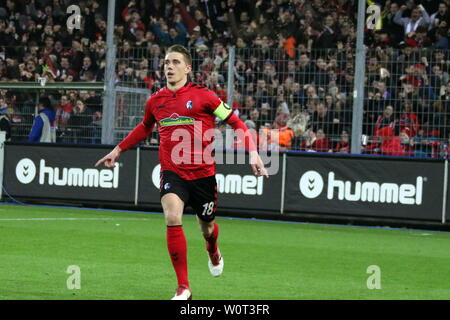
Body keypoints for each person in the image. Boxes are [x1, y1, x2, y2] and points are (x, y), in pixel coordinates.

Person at [95, 44, 268, 300]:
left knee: (206, 227)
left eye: (175, 62)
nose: (169, 67)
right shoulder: (156, 101)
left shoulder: (205, 96)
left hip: (203, 175)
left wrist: (253, 152)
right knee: (172, 216)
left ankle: (212, 249)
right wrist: (119, 149)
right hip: (173, 173)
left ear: (188, 68)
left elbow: (235, 121)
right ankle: (183, 287)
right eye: (166, 62)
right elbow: (144, 128)